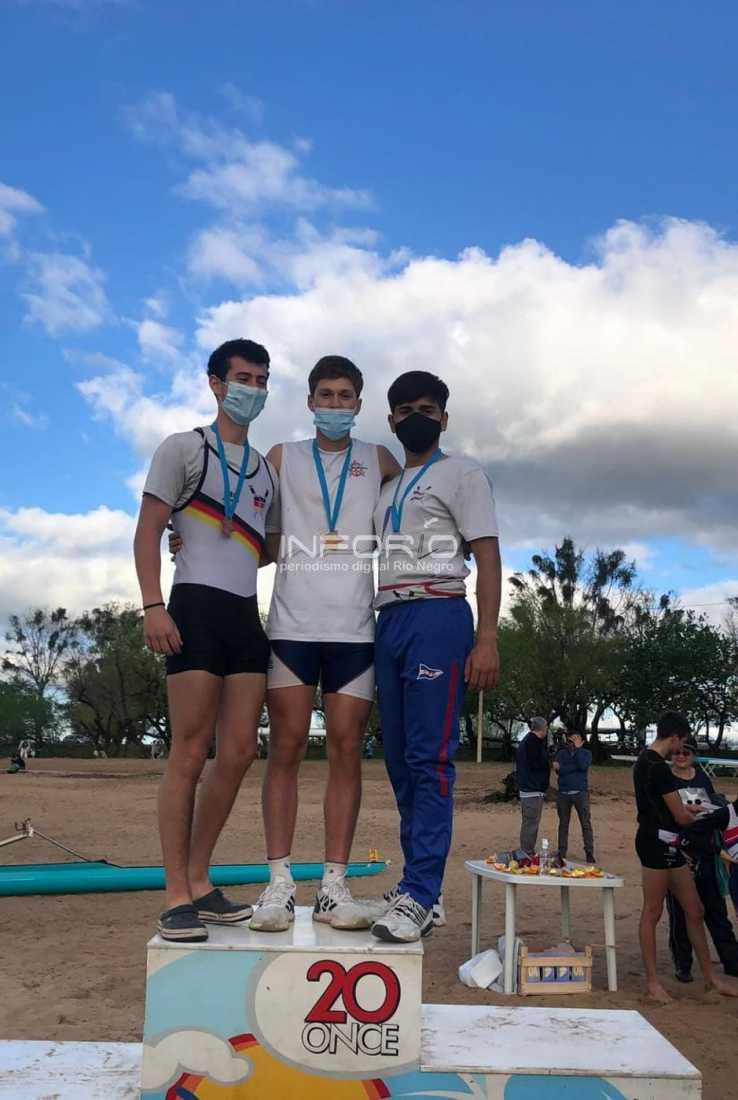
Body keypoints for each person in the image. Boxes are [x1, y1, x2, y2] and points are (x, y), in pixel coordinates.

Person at [250, 356, 401, 933]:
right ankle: (279, 884)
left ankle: (334, 886)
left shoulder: (379, 459)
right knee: (285, 749)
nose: (335, 405)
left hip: (355, 631)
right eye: (325, 395)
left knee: (346, 751)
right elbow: (258, 532)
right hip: (291, 626)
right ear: (310, 401)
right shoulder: (281, 457)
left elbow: (411, 512)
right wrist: (193, 539)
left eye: (345, 396)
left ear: (359, 404)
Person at [134, 338, 276, 942]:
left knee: (239, 752)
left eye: (261, 380)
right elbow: (147, 532)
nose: (252, 389)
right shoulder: (184, 448)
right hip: (191, 610)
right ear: (216, 383)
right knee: (190, 753)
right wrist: (153, 605)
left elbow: (263, 546)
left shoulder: (265, 469)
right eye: (243, 378)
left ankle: (199, 877)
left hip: (245, 616)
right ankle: (175, 895)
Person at [370, 370, 501, 942]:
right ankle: (422, 888)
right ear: (391, 419)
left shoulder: (464, 473)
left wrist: (487, 637)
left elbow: (488, 557)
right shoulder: (386, 486)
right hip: (389, 619)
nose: (415, 418)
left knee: (430, 760)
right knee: (399, 761)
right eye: (405, 410)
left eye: (427, 409)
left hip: (439, 615)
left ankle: (421, 891)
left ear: (444, 418)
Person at [633, 711, 737, 1002]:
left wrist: (688, 811)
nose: (681, 749)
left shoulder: (644, 761)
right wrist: (710, 818)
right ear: (675, 737)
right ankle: (653, 983)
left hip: (669, 842)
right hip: (655, 844)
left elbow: (665, 806)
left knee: (695, 910)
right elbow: (679, 816)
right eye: (682, 742)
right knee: (652, 911)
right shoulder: (658, 768)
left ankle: (711, 979)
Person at [664, 738, 738, 981]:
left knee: (716, 910)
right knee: (679, 912)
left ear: (694, 755)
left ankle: (732, 961)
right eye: (676, 753)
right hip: (677, 851)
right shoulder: (665, 780)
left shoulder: (703, 779)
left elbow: (716, 813)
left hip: (705, 851)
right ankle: (683, 964)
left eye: (686, 753)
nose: (681, 757)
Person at [554, 731, 595, 864]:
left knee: (585, 823)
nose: (572, 741)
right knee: (563, 824)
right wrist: (572, 767)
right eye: (571, 739)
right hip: (563, 793)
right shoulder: (561, 753)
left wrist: (577, 751)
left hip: (580, 793)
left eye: (576, 739)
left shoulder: (586, 753)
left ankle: (589, 851)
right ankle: (562, 852)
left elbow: (582, 766)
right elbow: (559, 771)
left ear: (582, 742)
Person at [516, 717, 550, 856]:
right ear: (543, 728)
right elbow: (537, 764)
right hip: (532, 790)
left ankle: (527, 851)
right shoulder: (532, 743)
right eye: (546, 727)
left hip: (532, 789)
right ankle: (526, 852)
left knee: (530, 823)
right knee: (531, 823)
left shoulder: (531, 742)